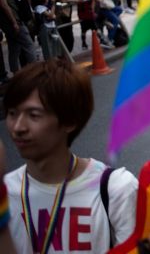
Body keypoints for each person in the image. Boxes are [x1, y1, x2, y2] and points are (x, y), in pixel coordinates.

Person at [4, 60, 138, 253]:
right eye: (12, 113)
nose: (18, 127)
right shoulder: (5, 194)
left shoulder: (116, 189)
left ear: (69, 121)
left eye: (33, 115)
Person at [0, 0, 36, 72]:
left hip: (8, 23)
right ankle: (35, 71)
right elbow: (4, 5)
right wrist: (14, 22)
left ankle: (15, 72)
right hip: (13, 22)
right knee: (29, 45)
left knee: (14, 48)